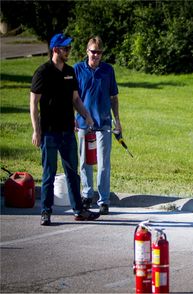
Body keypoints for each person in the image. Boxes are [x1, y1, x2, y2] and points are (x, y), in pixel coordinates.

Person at [30, 33, 101, 225]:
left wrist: (86, 115)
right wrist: (36, 130)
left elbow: (76, 99)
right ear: (55, 50)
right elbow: (33, 103)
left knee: (72, 174)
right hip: (49, 133)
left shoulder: (70, 72)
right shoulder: (42, 72)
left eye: (69, 48)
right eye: (65, 48)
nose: (68, 51)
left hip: (68, 131)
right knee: (48, 174)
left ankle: (79, 210)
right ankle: (46, 211)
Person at [74, 36, 122, 215]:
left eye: (99, 52)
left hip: (103, 123)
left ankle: (103, 200)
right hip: (82, 123)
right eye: (93, 51)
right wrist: (74, 118)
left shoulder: (108, 70)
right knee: (85, 161)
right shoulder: (78, 69)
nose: (96, 55)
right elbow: (74, 97)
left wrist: (117, 119)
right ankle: (87, 195)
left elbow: (113, 98)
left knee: (103, 163)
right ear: (87, 51)